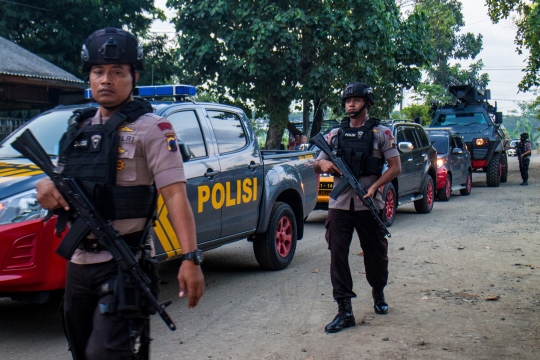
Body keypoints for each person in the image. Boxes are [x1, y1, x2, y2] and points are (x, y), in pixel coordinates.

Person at [35, 28, 204, 359]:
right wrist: (44, 186)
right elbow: (58, 179)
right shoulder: (78, 127)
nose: (106, 80)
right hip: (78, 264)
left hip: (124, 263)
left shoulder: (153, 128)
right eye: (98, 72)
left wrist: (190, 258)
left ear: (133, 76)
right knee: (82, 352)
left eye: (117, 72)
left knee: (105, 354)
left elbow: (174, 196)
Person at [313, 82, 401, 334]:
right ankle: (344, 311)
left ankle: (378, 291)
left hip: (368, 203)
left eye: (356, 100)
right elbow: (317, 163)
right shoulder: (334, 135)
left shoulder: (381, 134)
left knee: (375, 254)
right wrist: (324, 166)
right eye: (347, 100)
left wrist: (376, 187)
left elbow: (395, 167)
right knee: (337, 254)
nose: (350, 104)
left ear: (367, 103)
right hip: (339, 204)